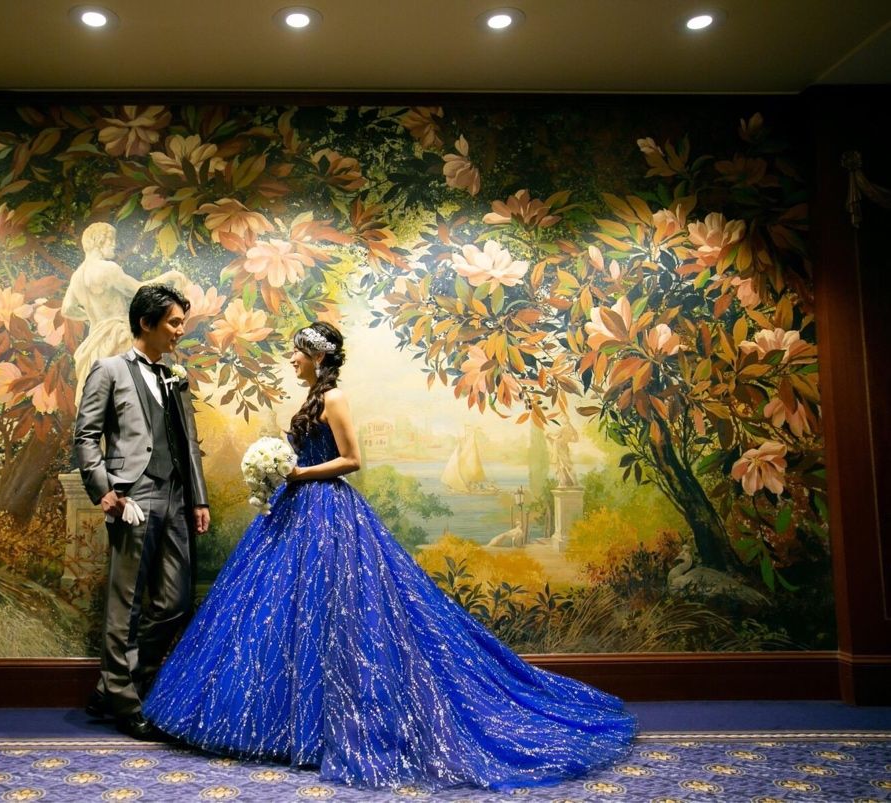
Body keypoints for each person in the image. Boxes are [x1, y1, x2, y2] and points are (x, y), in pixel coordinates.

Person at [143, 322, 636, 790]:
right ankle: (286, 727)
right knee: (287, 613)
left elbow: (352, 460)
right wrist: (280, 473)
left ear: (318, 357)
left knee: (335, 615)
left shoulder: (334, 398)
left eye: (298, 352)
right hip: (298, 508)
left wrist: (297, 474)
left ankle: (324, 727)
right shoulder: (313, 397)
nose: (291, 359)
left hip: (327, 510)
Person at [74, 283, 210, 741]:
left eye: (182, 323)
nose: (180, 331)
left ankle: (111, 687)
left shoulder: (175, 376)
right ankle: (126, 702)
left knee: (174, 604)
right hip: (133, 497)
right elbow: (85, 435)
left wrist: (199, 499)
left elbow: (189, 443)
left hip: (176, 497)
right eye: (174, 323)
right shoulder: (109, 370)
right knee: (126, 605)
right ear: (146, 323)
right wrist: (103, 490)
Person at [62, 222, 189, 406]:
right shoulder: (108, 269)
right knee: (134, 398)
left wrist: (92, 318)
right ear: (99, 241)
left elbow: (67, 308)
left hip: (95, 343)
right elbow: (138, 289)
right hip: (119, 336)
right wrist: (169, 276)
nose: (114, 244)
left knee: (104, 401)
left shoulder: (77, 277)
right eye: (111, 240)